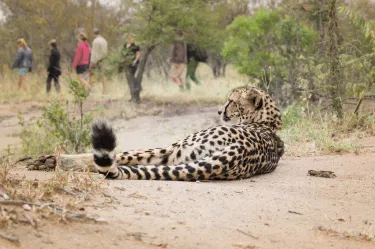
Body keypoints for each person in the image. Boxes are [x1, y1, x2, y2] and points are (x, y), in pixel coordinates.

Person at [119, 35, 141, 102]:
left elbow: (138, 54)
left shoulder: (135, 46)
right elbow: (123, 54)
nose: (129, 39)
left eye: (130, 38)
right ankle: (133, 97)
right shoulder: (125, 45)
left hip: (133, 64)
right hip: (126, 64)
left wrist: (134, 61)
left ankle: (135, 96)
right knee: (129, 80)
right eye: (128, 38)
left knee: (131, 78)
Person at [90, 28, 108, 93]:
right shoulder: (104, 40)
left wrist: (94, 61)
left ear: (94, 34)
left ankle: (91, 90)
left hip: (96, 60)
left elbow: (95, 52)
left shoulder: (95, 41)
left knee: (91, 75)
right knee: (103, 75)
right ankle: (105, 90)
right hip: (103, 59)